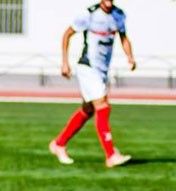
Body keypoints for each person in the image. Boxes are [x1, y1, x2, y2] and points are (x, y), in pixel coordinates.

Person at [49, 0, 135, 168]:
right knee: (103, 106)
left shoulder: (119, 15)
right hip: (88, 67)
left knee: (88, 109)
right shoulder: (89, 14)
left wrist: (130, 57)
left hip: (102, 70)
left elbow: (124, 38)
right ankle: (111, 155)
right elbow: (67, 34)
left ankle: (59, 144)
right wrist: (65, 63)